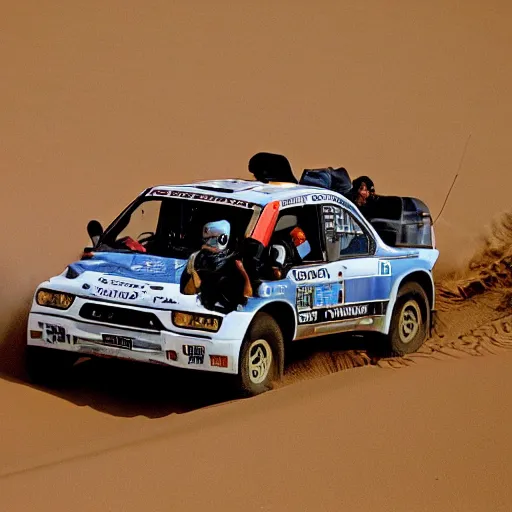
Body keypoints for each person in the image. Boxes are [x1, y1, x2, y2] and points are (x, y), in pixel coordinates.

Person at [183, 220, 253, 312]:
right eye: (206, 239)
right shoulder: (200, 259)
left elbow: (248, 294)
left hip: (227, 308)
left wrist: (242, 271)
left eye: (212, 239)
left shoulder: (233, 263)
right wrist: (193, 270)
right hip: (205, 305)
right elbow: (190, 291)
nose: (208, 242)